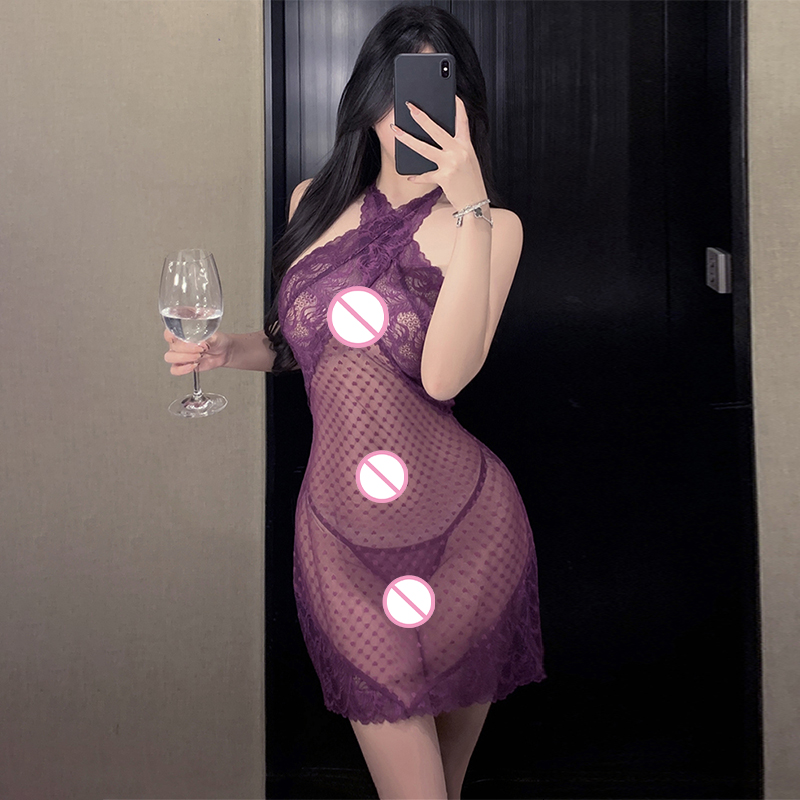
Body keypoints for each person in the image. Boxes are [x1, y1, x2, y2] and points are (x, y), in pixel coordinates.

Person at [163, 5, 545, 798]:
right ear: (369, 97)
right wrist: (232, 350)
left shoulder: (494, 228)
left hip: (468, 531)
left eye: (434, 92)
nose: (411, 115)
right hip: (340, 541)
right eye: (397, 92)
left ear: (463, 106)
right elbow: (306, 341)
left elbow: (444, 378)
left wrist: (471, 208)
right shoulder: (312, 200)